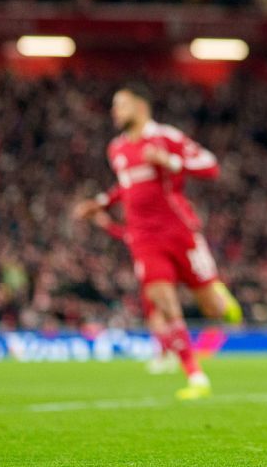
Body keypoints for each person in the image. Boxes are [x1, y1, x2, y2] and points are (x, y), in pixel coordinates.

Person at [73, 84, 225, 400]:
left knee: (214, 308)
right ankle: (195, 375)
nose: (115, 111)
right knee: (162, 300)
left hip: (179, 231)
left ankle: (222, 295)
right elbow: (126, 186)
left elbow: (210, 166)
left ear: (141, 107)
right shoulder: (116, 148)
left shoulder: (166, 137)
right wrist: (100, 202)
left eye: (121, 104)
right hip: (143, 236)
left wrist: (170, 161)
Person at [90, 211, 242, 374]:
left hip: (161, 271)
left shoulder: (151, 231)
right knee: (157, 316)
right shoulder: (142, 232)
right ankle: (167, 353)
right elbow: (125, 235)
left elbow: (124, 234)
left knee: (161, 315)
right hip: (155, 272)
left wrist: (106, 223)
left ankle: (171, 355)